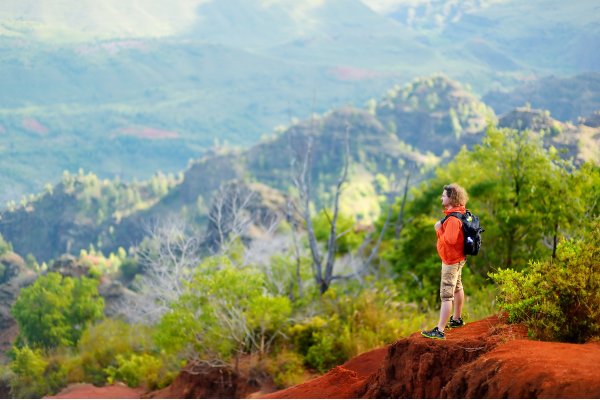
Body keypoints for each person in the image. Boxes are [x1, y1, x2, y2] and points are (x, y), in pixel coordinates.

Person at [421, 183, 468, 340]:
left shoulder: (453, 219)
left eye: (444, 195)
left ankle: (440, 330)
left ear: (451, 198)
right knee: (457, 287)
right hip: (458, 258)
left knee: (446, 295)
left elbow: (450, 240)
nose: (441, 197)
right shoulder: (459, 212)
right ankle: (456, 319)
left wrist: (438, 229)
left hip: (451, 261)